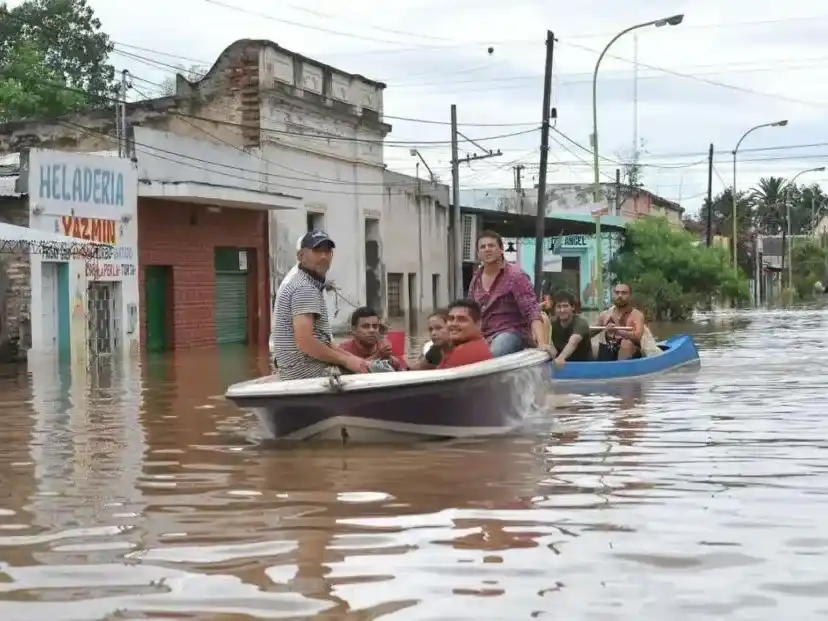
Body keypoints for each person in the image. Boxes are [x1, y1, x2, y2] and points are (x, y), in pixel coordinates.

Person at [272, 230, 369, 379]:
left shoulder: (306, 282)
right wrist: (347, 360)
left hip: (301, 367)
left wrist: (352, 359)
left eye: (327, 251)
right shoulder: (304, 287)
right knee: (380, 370)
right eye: (317, 251)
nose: (324, 256)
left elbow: (322, 340)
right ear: (301, 257)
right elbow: (305, 342)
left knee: (367, 364)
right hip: (306, 372)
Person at [467, 230, 550, 357]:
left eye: (491, 245)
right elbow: (470, 311)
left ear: (501, 250)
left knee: (495, 351)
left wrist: (542, 343)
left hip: (510, 332)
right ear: (478, 254)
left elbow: (532, 310)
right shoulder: (476, 278)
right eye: (482, 247)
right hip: (483, 334)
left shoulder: (516, 276)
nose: (487, 249)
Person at [338, 306, 408, 371]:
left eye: (375, 326)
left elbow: (399, 367)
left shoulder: (383, 344)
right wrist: (378, 356)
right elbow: (348, 372)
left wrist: (390, 358)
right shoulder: (344, 349)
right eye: (365, 326)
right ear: (354, 330)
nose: (372, 330)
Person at [436, 299, 493, 369]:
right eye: (451, 318)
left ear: (478, 324)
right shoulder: (478, 345)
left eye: (461, 319)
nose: (454, 323)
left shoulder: (466, 352)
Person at [597, 282, 646, 361]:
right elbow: (591, 332)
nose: (620, 295)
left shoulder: (637, 315)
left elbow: (638, 337)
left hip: (629, 351)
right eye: (617, 293)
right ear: (613, 295)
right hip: (609, 348)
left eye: (624, 293)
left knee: (626, 343)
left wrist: (618, 331)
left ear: (630, 296)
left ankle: (620, 369)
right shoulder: (604, 314)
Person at [548, 290, 593, 368]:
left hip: (583, 368)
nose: (562, 310)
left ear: (573, 307)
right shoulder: (552, 323)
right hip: (561, 368)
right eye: (558, 306)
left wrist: (561, 357)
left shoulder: (581, 323)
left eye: (565, 306)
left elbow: (573, 342)